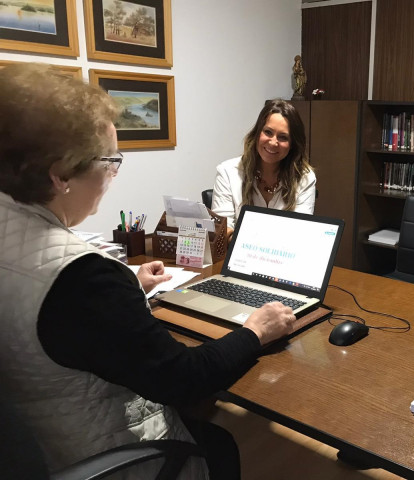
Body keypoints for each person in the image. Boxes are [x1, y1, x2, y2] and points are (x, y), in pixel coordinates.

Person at [0, 63, 296, 479]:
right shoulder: (83, 279)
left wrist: (129, 288)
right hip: (97, 455)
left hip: (35, 438)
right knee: (219, 443)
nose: (112, 175)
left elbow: (60, 318)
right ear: (61, 174)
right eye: (110, 161)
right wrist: (256, 331)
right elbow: (184, 378)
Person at [211, 99, 316, 238]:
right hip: (239, 256)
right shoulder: (227, 172)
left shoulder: (305, 178)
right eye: (268, 132)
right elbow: (223, 229)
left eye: (283, 137)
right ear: (257, 133)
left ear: (293, 144)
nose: (273, 142)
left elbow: (300, 232)